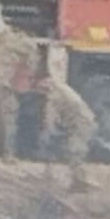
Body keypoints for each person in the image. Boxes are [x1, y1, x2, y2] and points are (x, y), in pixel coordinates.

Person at [0, 2, 37, 159]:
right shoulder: (17, 41)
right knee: (8, 119)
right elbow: (31, 56)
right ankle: (8, 154)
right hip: (4, 85)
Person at [37, 42, 96, 191]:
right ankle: (78, 181)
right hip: (83, 122)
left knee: (74, 150)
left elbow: (50, 121)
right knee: (73, 150)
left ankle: (80, 182)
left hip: (82, 124)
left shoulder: (54, 95)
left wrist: (46, 136)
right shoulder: (61, 88)